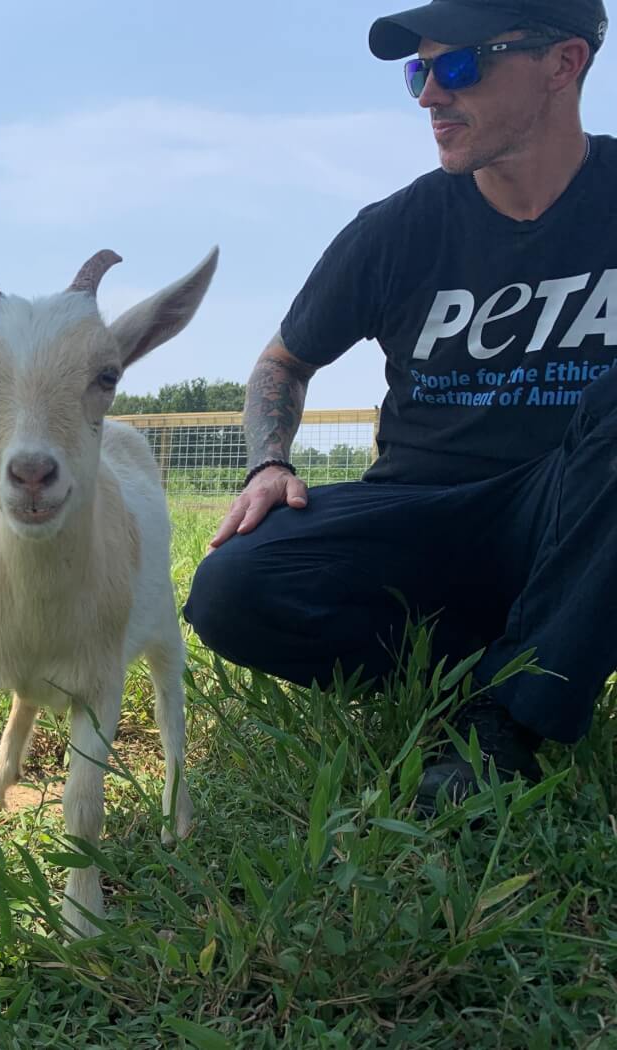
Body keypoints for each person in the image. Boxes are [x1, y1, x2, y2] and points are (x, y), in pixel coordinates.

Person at [182, 0, 613, 815]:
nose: (429, 97)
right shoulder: (398, 228)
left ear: (563, 64)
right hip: (419, 511)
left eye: (461, 66)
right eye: (420, 71)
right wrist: (269, 462)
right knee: (232, 590)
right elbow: (282, 361)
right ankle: (499, 656)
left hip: (573, 514)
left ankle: (506, 726)